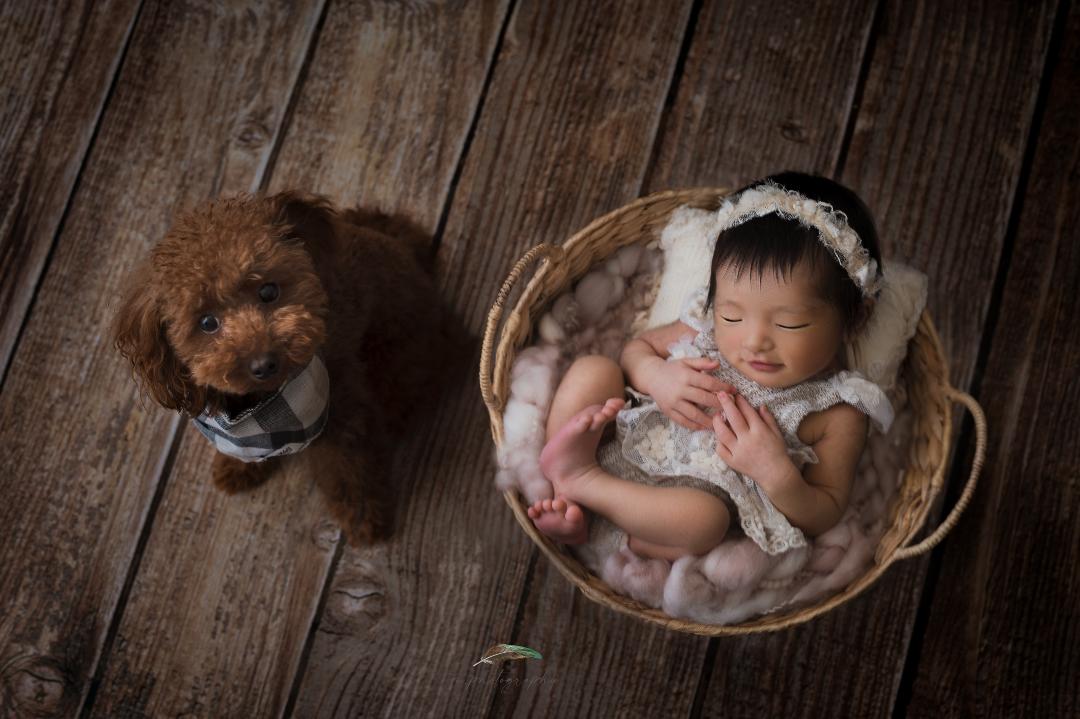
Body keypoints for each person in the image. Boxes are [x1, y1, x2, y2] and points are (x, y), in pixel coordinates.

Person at [528, 173, 894, 561]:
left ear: (854, 320)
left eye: (789, 324)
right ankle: (560, 491)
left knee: (707, 523)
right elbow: (636, 350)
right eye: (733, 316)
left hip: (666, 509)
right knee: (595, 370)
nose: (753, 341)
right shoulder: (704, 325)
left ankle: (584, 493)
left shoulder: (838, 409)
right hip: (608, 436)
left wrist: (777, 474)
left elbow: (826, 511)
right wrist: (656, 375)